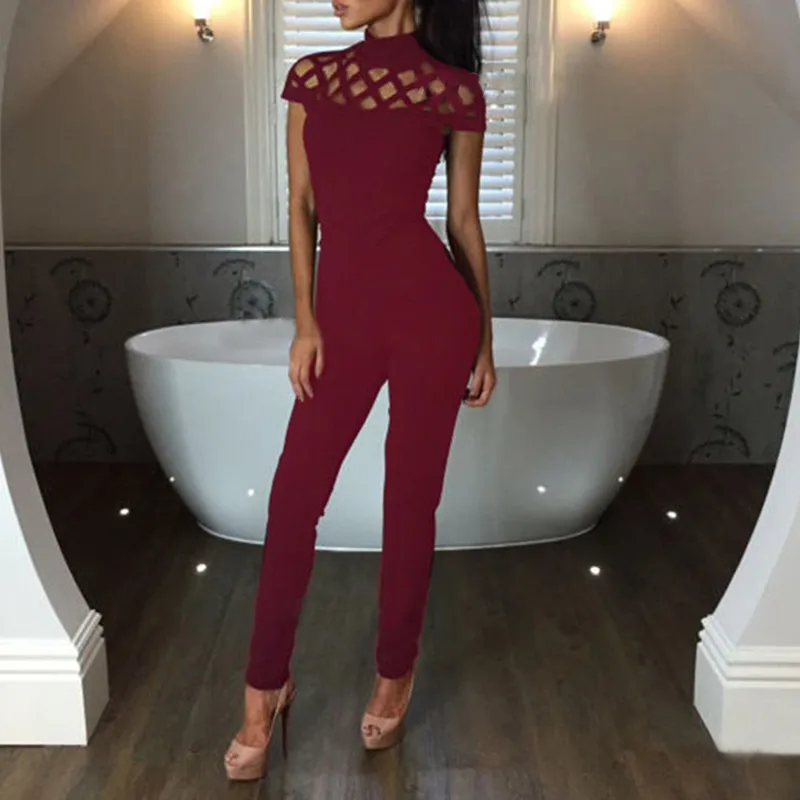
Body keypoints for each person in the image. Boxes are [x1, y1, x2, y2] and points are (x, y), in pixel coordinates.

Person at [224, 0, 496, 781]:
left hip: (433, 320)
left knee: (409, 504)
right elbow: (303, 205)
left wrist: (484, 339)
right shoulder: (313, 78)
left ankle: (394, 672)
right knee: (292, 500)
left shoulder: (454, 89)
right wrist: (306, 321)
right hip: (340, 324)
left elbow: (464, 221)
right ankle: (263, 688)